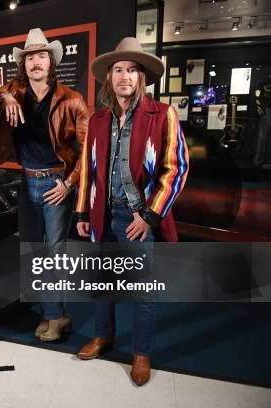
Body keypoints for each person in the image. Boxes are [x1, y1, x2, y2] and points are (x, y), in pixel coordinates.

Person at [74, 37, 189, 385]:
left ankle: (140, 352)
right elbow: (88, 170)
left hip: (137, 217)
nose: (125, 76)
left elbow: (176, 168)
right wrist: (82, 214)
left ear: (142, 78)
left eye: (132, 70)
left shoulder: (162, 114)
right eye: (119, 70)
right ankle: (104, 335)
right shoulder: (97, 120)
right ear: (109, 77)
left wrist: (150, 215)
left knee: (143, 291)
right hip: (101, 216)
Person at [0, 28, 89, 342]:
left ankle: (54, 316)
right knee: (34, 253)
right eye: (30, 58)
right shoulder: (15, 90)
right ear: (23, 64)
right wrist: (4, 95)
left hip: (56, 184)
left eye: (41, 56)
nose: (36, 62)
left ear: (51, 62)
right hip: (27, 183)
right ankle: (53, 313)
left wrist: (68, 184)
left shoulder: (73, 100)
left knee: (53, 253)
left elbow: (87, 151)